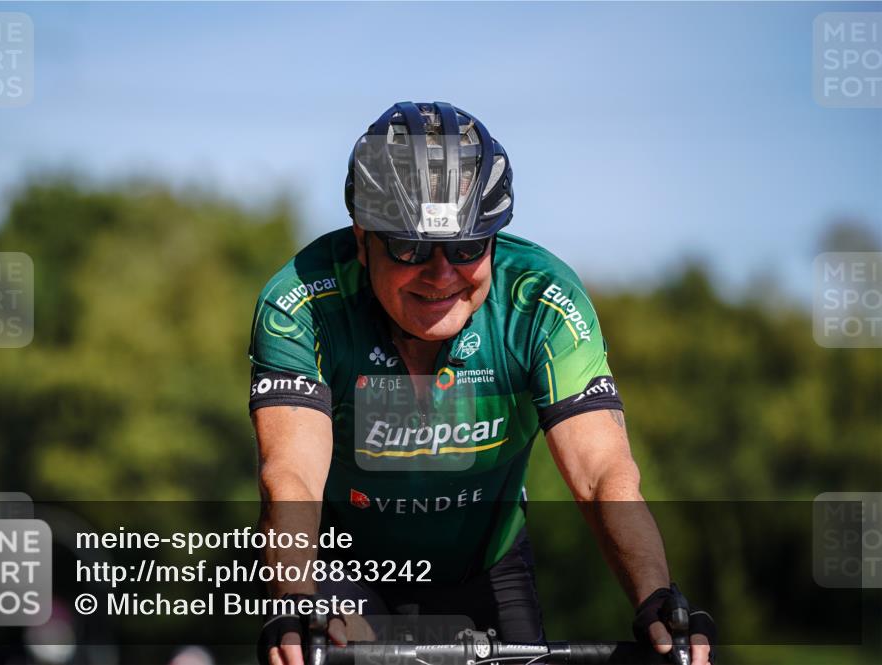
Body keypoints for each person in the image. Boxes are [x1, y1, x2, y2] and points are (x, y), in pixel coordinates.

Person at [249, 101, 715, 665]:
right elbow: (291, 475)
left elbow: (601, 475)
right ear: (362, 234)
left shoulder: (540, 301)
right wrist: (294, 598)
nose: (441, 274)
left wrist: (655, 597)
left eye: (469, 247)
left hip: (487, 561)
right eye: (411, 248)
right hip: (344, 564)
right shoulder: (302, 303)